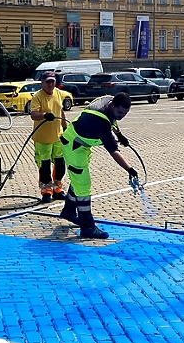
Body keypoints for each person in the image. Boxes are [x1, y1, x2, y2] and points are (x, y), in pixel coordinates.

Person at [59, 92, 138, 239]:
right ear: (113, 105)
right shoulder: (100, 120)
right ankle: (87, 227)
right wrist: (129, 169)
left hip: (80, 146)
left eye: (125, 113)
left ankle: (68, 211)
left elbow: (113, 120)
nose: (122, 116)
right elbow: (113, 151)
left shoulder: (108, 100)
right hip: (73, 147)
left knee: (78, 179)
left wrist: (119, 135)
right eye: (120, 112)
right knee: (83, 184)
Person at [29, 71, 68, 203]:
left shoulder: (58, 93)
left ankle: (57, 189)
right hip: (43, 139)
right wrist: (44, 115)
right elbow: (33, 114)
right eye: (48, 82)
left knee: (60, 166)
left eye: (52, 81)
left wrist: (65, 126)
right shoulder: (37, 96)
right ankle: (46, 191)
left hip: (58, 136)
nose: (50, 84)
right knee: (45, 167)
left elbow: (60, 110)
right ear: (42, 83)